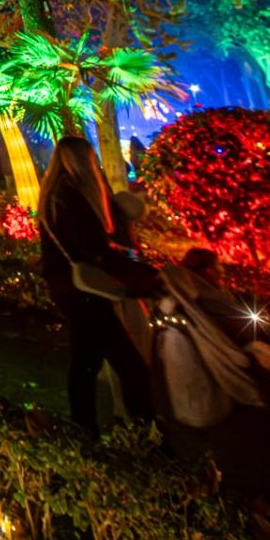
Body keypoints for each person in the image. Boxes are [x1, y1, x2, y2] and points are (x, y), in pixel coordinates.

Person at [37, 135, 159, 439]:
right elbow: (94, 251)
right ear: (84, 161)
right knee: (127, 365)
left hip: (71, 290)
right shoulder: (70, 197)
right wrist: (145, 277)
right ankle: (147, 435)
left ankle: (87, 428)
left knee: (87, 362)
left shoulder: (57, 194)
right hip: (83, 293)